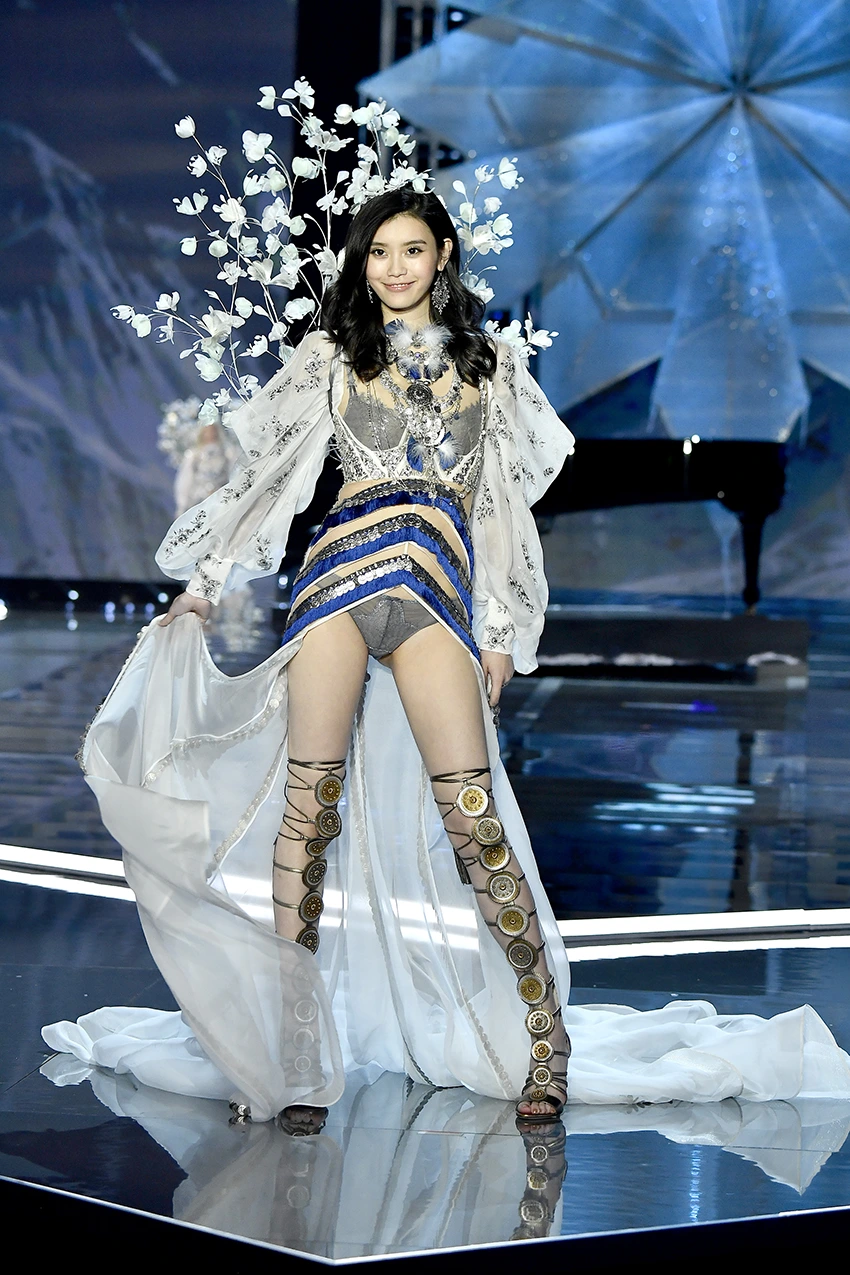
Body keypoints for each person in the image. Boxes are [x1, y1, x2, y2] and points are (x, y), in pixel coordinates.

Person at [48, 185, 850, 1129]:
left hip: (436, 595)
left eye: (412, 249)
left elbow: (502, 508)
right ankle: (290, 1054)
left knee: (474, 822)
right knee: (308, 817)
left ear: (443, 257)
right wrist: (206, 581)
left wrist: (502, 628)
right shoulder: (332, 356)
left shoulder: (491, 365)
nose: (394, 267)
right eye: (378, 251)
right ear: (362, 263)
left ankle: (544, 1044)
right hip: (336, 586)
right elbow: (268, 481)